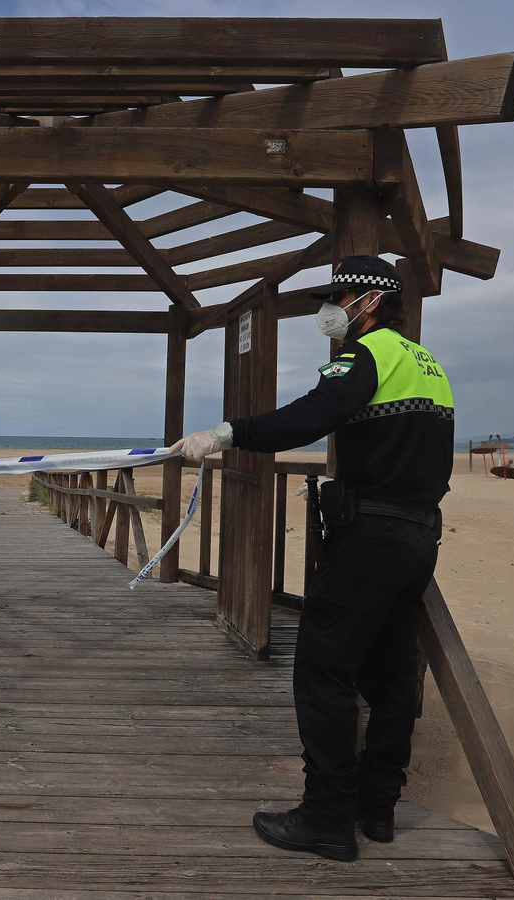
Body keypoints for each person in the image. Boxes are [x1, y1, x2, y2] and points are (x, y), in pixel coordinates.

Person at [171, 255, 454, 862]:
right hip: (418, 536)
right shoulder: (426, 363)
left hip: (371, 536)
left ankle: (326, 817)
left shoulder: (366, 353)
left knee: (324, 668)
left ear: (369, 301)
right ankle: (376, 806)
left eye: (338, 298)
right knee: (391, 675)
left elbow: (309, 416)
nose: (329, 310)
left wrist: (226, 434)